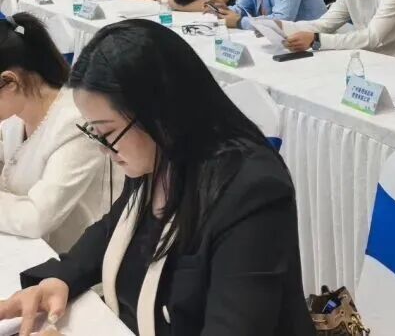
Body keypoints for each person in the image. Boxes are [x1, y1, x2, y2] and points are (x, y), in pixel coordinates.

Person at [1, 20, 314, 335]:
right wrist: (59, 278)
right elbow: (113, 226)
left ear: (159, 114)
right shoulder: (157, 156)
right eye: (94, 132)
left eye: (107, 133)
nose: (104, 149)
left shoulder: (252, 191)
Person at [0, 14, 109, 251]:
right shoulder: (16, 110)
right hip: (30, 245)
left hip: (72, 257)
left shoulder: (77, 124)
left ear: (9, 82)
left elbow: (37, 218)